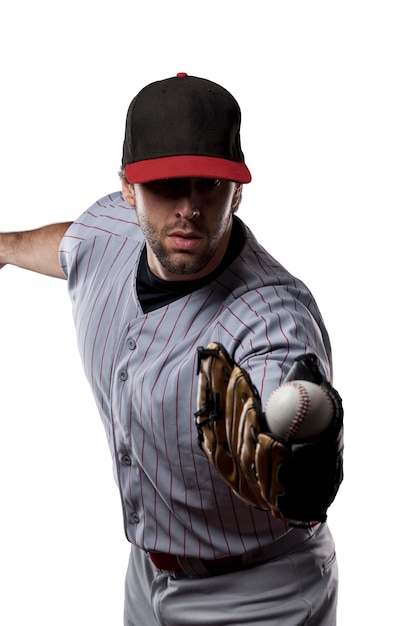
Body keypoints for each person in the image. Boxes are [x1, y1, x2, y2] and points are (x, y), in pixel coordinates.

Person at [0, 73, 341, 625]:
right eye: (165, 185)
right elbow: (69, 246)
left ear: (239, 189)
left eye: (208, 183)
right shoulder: (108, 230)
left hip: (259, 593)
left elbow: (288, 383)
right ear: (127, 190)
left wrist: (297, 443)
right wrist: (4, 248)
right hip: (146, 576)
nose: (188, 207)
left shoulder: (271, 317)